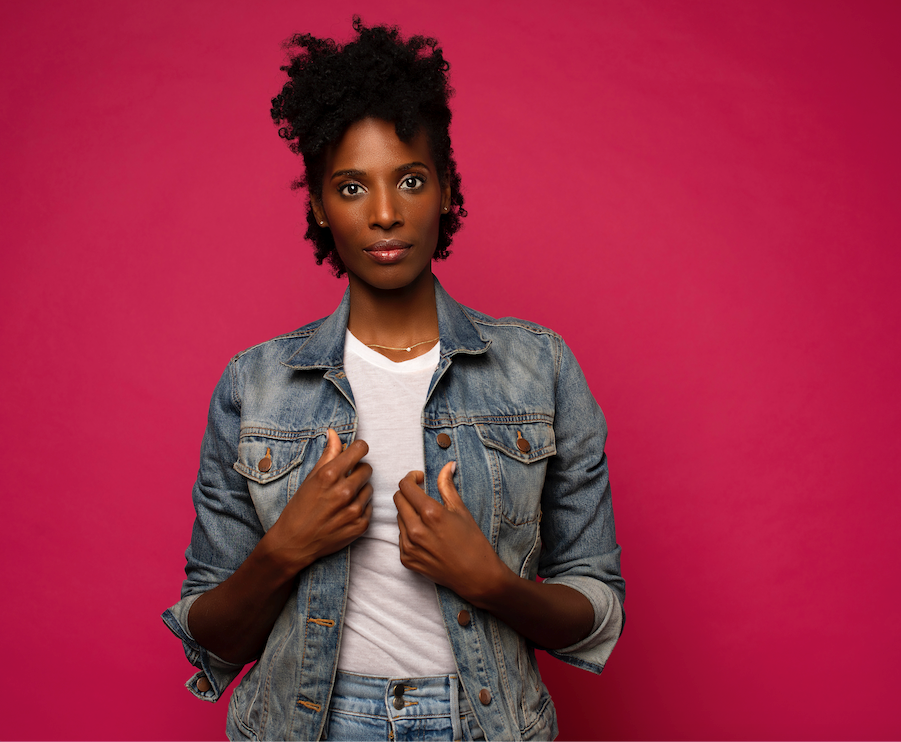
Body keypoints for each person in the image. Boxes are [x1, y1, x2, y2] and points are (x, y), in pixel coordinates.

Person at [161, 19, 624, 742]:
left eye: (410, 180)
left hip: (485, 724)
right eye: (351, 187)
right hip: (309, 724)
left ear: (444, 190)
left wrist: (490, 584)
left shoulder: (541, 367)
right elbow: (211, 635)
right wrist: (284, 548)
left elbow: (596, 605)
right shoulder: (253, 384)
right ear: (318, 205)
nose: (384, 213)